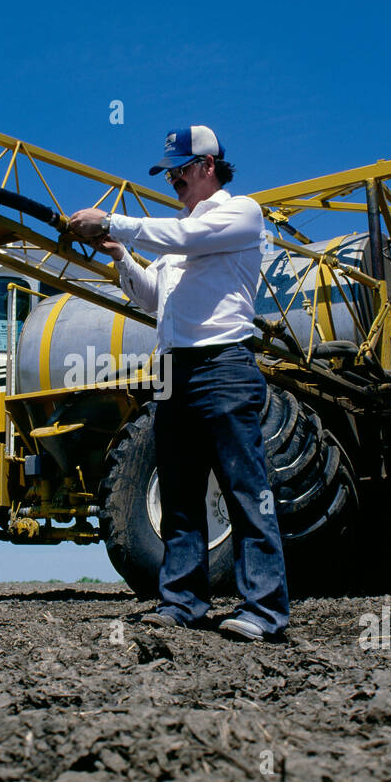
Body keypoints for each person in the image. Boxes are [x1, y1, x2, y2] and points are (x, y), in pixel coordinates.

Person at [67, 126, 289, 642]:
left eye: (181, 170)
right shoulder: (174, 233)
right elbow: (153, 300)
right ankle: (182, 602)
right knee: (181, 494)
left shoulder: (240, 214)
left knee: (246, 488)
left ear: (209, 165)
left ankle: (264, 610)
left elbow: (184, 238)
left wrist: (116, 223)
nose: (173, 180)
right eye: (168, 173)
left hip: (223, 365)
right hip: (173, 372)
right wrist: (121, 257)